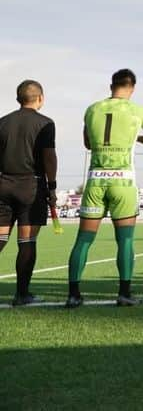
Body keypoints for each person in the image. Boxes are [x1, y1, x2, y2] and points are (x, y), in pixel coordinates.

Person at [67, 70, 143, 307]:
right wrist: (137, 139)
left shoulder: (92, 109)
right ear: (132, 88)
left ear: (111, 86)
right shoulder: (138, 111)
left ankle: (73, 294)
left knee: (83, 240)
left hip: (96, 181)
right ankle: (124, 293)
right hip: (123, 182)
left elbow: (88, 143)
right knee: (125, 241)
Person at [0, 80, 57, 306]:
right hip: (30, 186)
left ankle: (23, 294)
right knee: (27, 241)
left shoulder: (2, 122)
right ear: (40, 98)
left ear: (18, 99)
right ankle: (22, 294)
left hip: (3, 183)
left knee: (1, 238)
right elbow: (49, 157)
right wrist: (52, 187)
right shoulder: (45, 123)